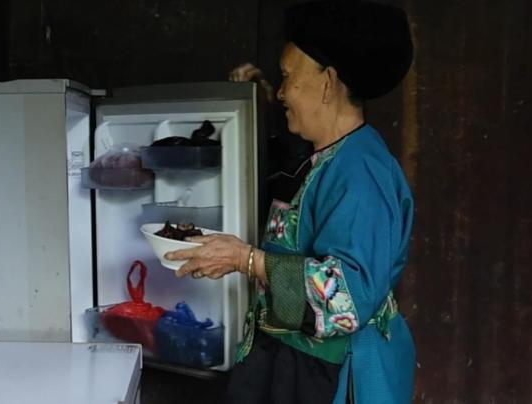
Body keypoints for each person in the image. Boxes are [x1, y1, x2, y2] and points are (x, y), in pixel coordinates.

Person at [164, 1, 416, 403]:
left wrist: (246, 259)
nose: (282, 92)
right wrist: (260, 106)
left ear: (328, 82)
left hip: (334, 374)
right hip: (293, 363)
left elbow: (346, 299)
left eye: (287, 77)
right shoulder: (327, 155)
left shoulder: (362, 171)